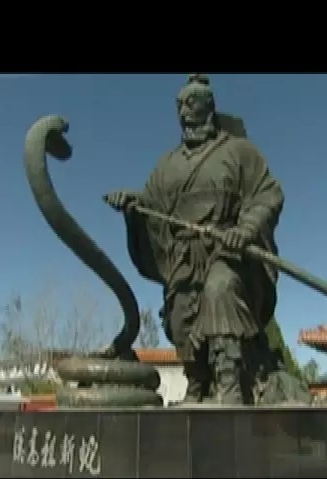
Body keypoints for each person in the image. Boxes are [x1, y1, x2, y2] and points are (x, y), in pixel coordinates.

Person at [106, 74, 284, 406]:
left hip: (227, 253)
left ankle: (229, 382)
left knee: (220, 288)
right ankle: (198, 381)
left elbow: (267, 194)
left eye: (190, 103)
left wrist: (245, 229)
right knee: (180, 313)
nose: (183, 110)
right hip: (184, 258)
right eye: (179, 105)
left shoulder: (238, 150)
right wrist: (134, 205)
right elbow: (154, 208)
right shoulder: (167, 164)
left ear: (209, 106)